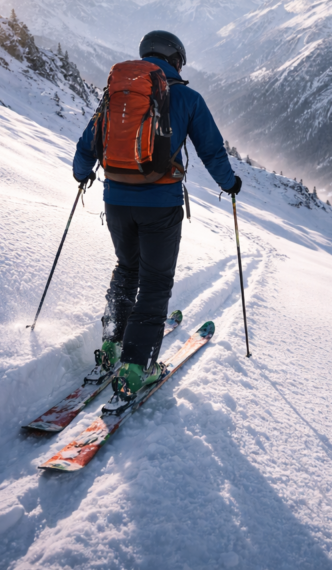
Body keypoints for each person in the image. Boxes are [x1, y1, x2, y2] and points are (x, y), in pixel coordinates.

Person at [73, 30, 241, 414]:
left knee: (126, 268)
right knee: (154, 282)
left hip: (115, 200)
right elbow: (211, 150)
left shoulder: (117, 93)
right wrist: (229, 184)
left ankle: (112, 344)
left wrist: (82, 174)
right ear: (176, 60)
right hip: (160, 205)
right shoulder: (186, 97)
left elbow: (89, 142)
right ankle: (137, 368)